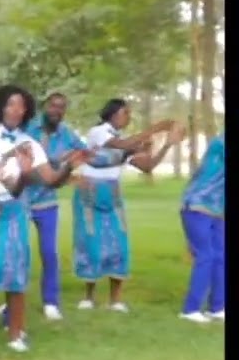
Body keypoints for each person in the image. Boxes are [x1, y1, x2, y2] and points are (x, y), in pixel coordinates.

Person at [0, 85, 85, 353]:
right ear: (0, 107)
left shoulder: (29, 143)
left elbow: (50, 180)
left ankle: (16, 333)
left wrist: (67, 167)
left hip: (15, 210)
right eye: (10, 104)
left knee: (16, 270)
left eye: (21, 106)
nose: (16, 110)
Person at [74, 99, 181, 312]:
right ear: (112, 114)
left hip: (112, 196)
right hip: (89, 195)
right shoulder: (98, 132)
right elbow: (122, 146)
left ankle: (115, 300)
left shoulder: (125, 141)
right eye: (125, 113)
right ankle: (89, 297)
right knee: (91, 242)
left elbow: (148, 167)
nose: (128, 117)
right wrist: (156, 128)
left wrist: (167, 143)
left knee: (118, 244)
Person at [21, 93, 87, 321]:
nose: (56, 110)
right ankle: (12, 305)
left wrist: (118, 153)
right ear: (44, 106)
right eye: (53, 105)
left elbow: (84, 153)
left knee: (50, 254)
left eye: (62, 107)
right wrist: (60, 160)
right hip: (22, 199)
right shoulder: (28, 128)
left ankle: (51, 302)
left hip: (47, 202)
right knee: (20, 253)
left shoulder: (67, 133)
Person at [179, 133, 226, 323]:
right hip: (197, 204)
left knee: (221, 256)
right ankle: (190, 310)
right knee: (205, 255)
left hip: (217, 209)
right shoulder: (221, 143)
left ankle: (217, 307)